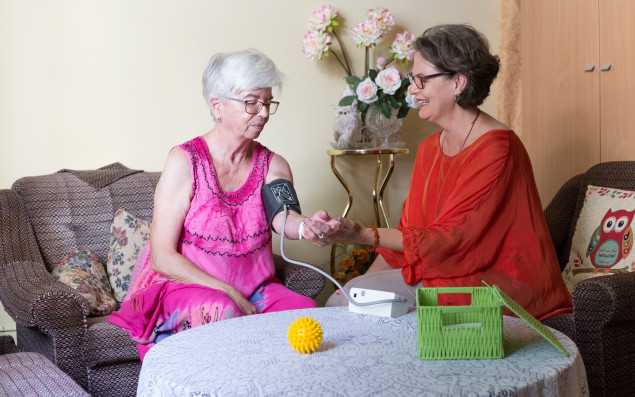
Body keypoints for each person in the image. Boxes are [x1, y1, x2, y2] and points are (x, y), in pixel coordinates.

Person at [324, 24, 572, 321]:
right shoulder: (430, 148)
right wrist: (358, 284)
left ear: (458, 83)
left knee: (351, 307)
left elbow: (452, 239)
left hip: (493, 284)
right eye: (412, 79)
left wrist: (365, 234)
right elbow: (406, 238)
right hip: (443, 270)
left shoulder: (498, 148)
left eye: (421, 80)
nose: (412, 89)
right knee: (346, 299)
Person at [108, 48, 338, 361]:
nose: (264, 112)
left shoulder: (274, 165)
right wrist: (227, 290)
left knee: (307, 314)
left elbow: (284, 218)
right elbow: (162, 257)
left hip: (256, 290)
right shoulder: (184, 161)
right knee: (223, 310)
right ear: (217, 106)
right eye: (252, 102)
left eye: (268, 102)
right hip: (189, 289)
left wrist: (308, 227)